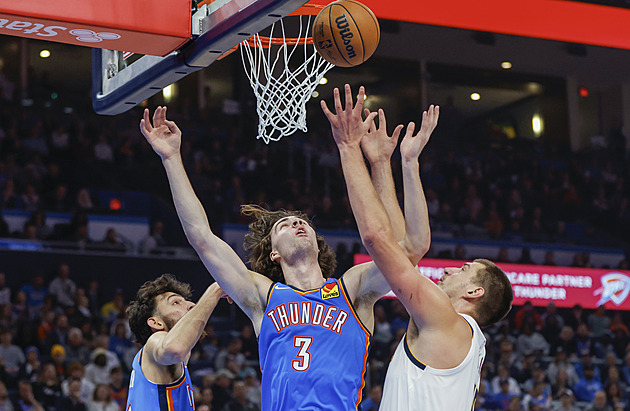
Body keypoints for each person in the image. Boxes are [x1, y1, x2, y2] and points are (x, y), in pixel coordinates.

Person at [139, 106, 425, 410]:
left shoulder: (352, 289)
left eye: (302, 223)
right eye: (283, 226)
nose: (296, 223)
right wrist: (171, 159)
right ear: (274, 253)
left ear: (318, 244)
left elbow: (401, 252)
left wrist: (380, 163)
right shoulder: (263, 296)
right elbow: (202, 238)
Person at [323, 84, 513, 410]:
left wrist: (347, 146)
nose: (453, 269)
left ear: (475, 292)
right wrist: (390, 163)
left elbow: (376, 240)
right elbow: (406, 248)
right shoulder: (455, 333)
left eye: (465, 270)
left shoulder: (447, 322)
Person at [125, 275, 225, 411]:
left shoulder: (180, 358)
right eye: (176, 303)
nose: (192, 305)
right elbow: (174, 349)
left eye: (186, 301)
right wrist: (216, 290)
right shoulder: (155, 341)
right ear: (156, 322)